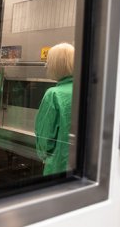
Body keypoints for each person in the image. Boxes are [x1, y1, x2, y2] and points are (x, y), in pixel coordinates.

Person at [35, 42, 74, 176]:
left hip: (58, 166)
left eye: (49, 62)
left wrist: (44, 156)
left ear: (57, 65)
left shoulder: (53, 94)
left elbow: (45, 139)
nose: (47, 65)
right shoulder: (84, 89)